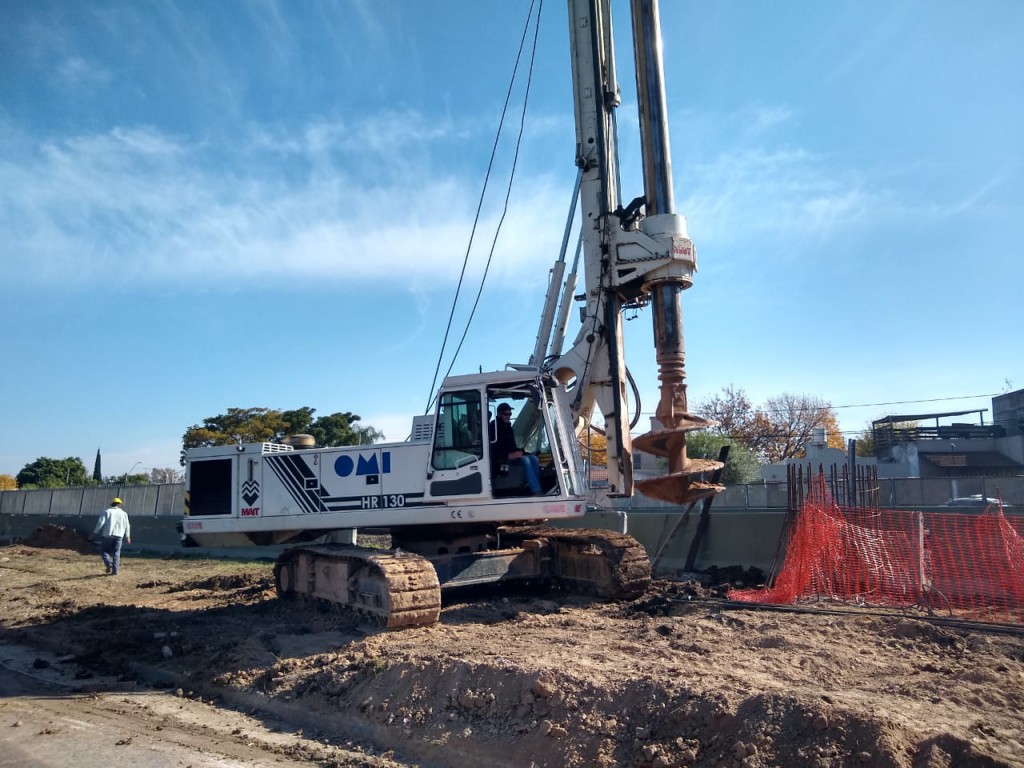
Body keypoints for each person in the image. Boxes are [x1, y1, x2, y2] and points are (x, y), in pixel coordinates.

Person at [490, 403, 542, 495]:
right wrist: (508, 456)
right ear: (499, 414)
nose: (508, 416)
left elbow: (513, 447)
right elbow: (492, 449)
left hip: (510, 456)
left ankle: (535, 486)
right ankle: (536, 491)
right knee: (526, 461)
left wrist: (527, 453)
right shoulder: (493, 427)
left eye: (510, 414)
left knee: (534, 459)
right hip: (501, 460)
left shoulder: (509, 428)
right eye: (506, 414)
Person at [94, 497, 131, 576]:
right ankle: (115, 570)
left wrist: (95, 532)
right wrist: (127, 536)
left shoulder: (107, 511)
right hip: (119, 536)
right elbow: (127, 525)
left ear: (112, 504)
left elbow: (100, 522)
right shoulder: (124, 514)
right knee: (116, 553)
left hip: (107, 535)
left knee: (104, 551)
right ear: (120, 505)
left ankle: (108, 563)